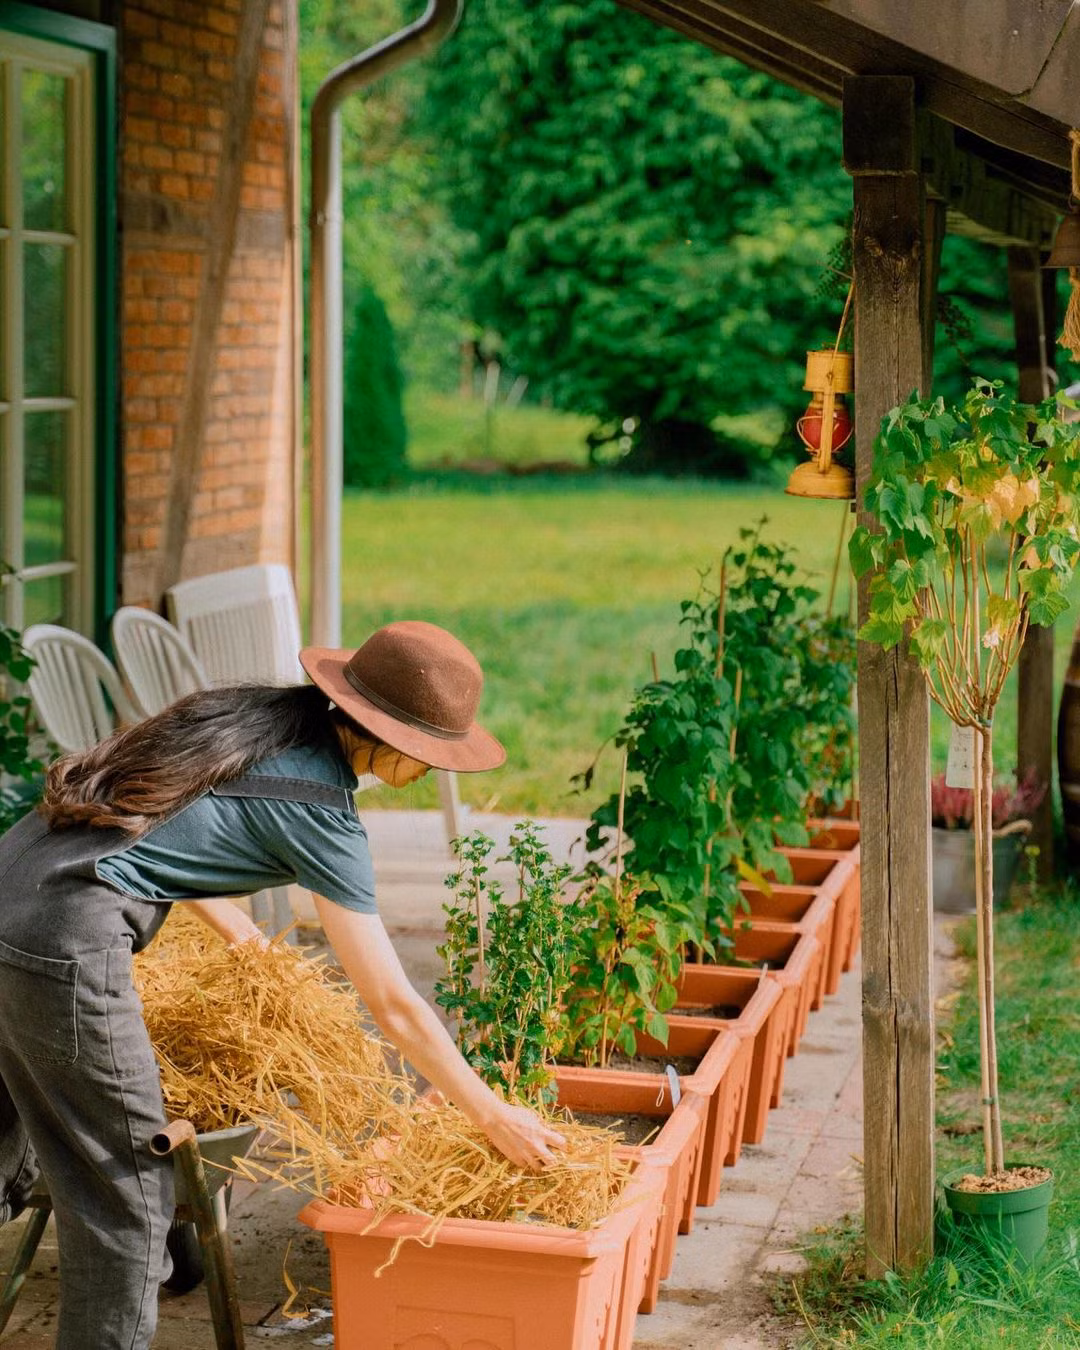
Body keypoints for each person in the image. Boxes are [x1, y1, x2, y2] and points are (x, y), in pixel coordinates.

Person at [0, 619, 564, 1350]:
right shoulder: (321, 810)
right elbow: (393, 1003)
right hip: (63, 938)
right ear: (384, 735)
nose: (435, 769)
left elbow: (142, 813)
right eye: (430, 753)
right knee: (129, 1199)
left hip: (13, 886)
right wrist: (492, 1114)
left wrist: (242, 936)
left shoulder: (250, 718)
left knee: (7, 1131)